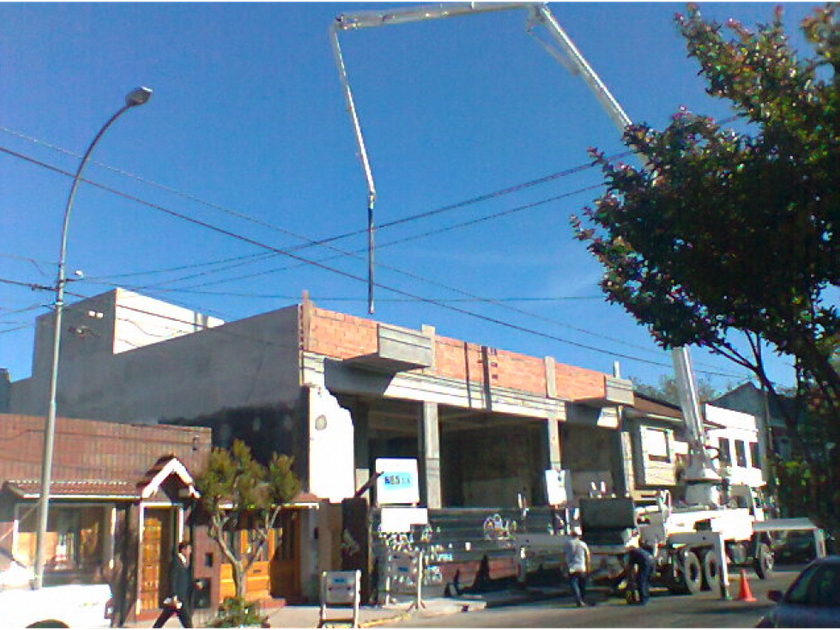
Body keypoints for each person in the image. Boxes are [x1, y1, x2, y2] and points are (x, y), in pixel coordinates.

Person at [153, 541, 194, 629]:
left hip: (181, 597)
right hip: (178, 598)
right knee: (187, 620)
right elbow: (173, 579)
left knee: (164, 618)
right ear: (183, 550)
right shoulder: (176, 562)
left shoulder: (183, 562)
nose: (190, 552)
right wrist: (174, 595)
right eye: (189, 549)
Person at [565, 530, 593, 607]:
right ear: (579, 536)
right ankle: (582, 599)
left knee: (574, 584)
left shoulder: (567, 544)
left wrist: (564, 567)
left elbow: (564, 556)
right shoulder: (583, 544)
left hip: (571, 567)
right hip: (581, 567)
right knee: (582, 584)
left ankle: (578, 600)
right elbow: (587, 556)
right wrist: (588, 567)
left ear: (571, 535)